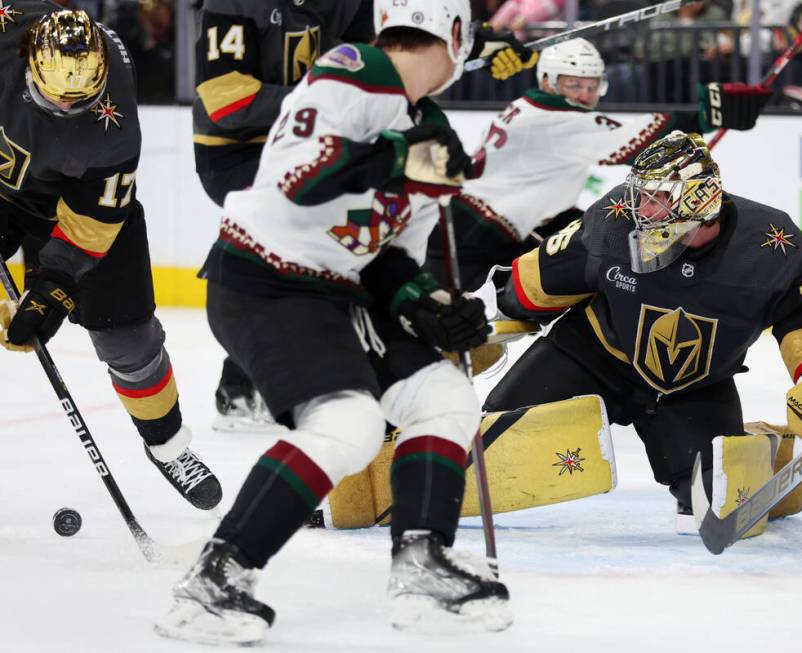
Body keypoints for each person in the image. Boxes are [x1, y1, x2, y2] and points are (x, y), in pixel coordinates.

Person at [154, 0, 512, 644]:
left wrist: (432, 310)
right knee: (349, 423)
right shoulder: (353, 70)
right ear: (454, 35)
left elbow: (395, 261)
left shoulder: (436, 135)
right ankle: (218, 578)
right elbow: (302, 181)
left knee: (444, 396)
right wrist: (399, 152)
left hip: (341, 291)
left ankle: (422, 559)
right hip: (266, 283)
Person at [482, 130, 802, 528]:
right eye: (640, 194)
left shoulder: (773, 246)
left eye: (655, 197)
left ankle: (768, 453)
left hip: (694, 386)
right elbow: (538, 278)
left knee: (713, 501)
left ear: (698, 198)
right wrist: (487, 317)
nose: (639, 207)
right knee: (495, 438)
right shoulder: (614, 221)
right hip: (592, 355)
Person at [195, 0, 537, 431]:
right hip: (240, 152)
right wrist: (336, 94)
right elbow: (227, 99)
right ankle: (300, 378)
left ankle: (371, 361)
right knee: (319, 248)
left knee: (390, 232)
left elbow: (389, 52)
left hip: (332, 140)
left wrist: (469, 43)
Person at [0, 5, 222, 510]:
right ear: (29, 60)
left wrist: (53, 287)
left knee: (129, 337)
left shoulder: (113, 127)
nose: (67, 109)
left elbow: (92, 222)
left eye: (81, 101)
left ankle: (167, 446)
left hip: (80, 205)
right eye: (55, 97)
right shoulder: (8, 28)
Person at [423, 37, 771, 292]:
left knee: (591, 241)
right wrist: (709, 112)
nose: (584, 95)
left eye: (591, 86)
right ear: (547, 81)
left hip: (483, 222)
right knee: (440, 317)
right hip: (476, 231)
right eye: (573, 84)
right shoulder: (556, 119)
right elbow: (641, 142)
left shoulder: (531, 107)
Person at [193, 0, 375, 431]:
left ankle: (248, 383)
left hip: (304, 143)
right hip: (235, 152)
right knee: (322, 234)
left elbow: (372, 65)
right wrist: (324, 100)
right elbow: (226, 101)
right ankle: (255, 383)